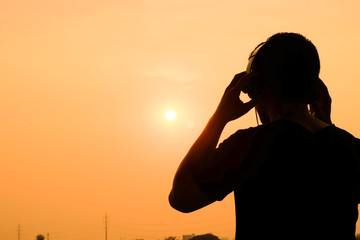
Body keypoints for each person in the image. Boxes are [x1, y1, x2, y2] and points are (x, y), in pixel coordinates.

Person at [169, 32, 360, 239]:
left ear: (256, 86)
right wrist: (327, 126)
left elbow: (180, 198)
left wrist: (219, 119)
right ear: (316, 88)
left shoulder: (248, 145)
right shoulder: (352, 148)